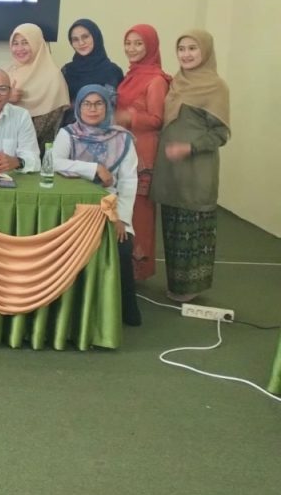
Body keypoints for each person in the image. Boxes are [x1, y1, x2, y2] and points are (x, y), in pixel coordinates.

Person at [152, 30, 230, 302]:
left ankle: (192, 286)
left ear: (205, 51)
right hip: (171, 170)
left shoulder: (216, 87)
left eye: (193, 48)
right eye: (181, 48)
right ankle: (177, 284)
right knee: (173, 229)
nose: (186, 54)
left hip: (197, 171)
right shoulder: (177, 82)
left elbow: (221, 134)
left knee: (193, 230)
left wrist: (190, 147)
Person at [53, 85, 141, 326]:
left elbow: (129, 181)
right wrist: (93, 168)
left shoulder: (122, 139)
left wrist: (121, 218)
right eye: (87, 104)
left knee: (121, 247)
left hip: (109, 207)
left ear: (108, 107)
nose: (92, 109)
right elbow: (54, 163)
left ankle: (120, 313)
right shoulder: (68, 134)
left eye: (98, 103)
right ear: (79, 107)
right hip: (74, 207)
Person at [114, 24, 171, 281]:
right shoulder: (132, 75)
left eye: (138, 43)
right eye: (128, 43)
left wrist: (129, 116)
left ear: (151, 46)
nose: (132, 48)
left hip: (143, 152)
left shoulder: (156, 79)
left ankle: (137, 271)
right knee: (123, 206)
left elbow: (158, 119)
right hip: (125, 147)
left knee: (140, 212)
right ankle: (122, 267)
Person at [6, 23, 70, 147]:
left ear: (37, 43)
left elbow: (48, 125)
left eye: (25, 42)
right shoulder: (6, 73)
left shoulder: (53, 77)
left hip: (38, 148)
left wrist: (19, 147)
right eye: (15, 43)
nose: (19, 48)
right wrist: (6, 98)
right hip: (4, 145)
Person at [60, 19, 124, 125]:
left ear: (95, 37)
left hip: (105, 131)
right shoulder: (67, 71)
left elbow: (116, 107)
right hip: (71, 130)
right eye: (75, 39)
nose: (81, 43)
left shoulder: (113, 71)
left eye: (85, 37)